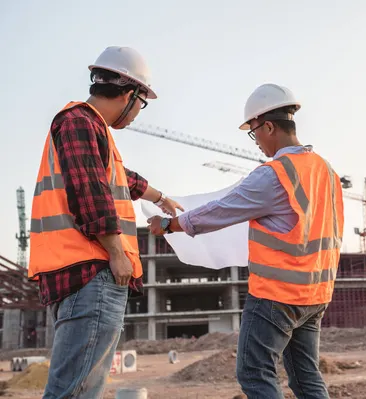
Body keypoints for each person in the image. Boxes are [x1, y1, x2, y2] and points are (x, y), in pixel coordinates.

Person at [147, 83, 344, 398]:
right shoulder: (326, 170)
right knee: (306, 378)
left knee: (254, 372)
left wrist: (170, 225)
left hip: (276, 295)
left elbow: (222, 210)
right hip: (316, 293)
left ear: (268, 126)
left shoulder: (275, 174)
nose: (256, 142)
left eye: (254, 133)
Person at [29, 46, 183, 398]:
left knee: (82, 387)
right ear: (130, 95)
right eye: (141, 104)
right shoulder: (79, 122)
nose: (137, 114)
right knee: (76, 389)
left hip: (79, 272)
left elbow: (117, 177)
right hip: (92, 270)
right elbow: (90, 192)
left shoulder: (87, 127)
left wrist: (158, 197)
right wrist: (117, 252)